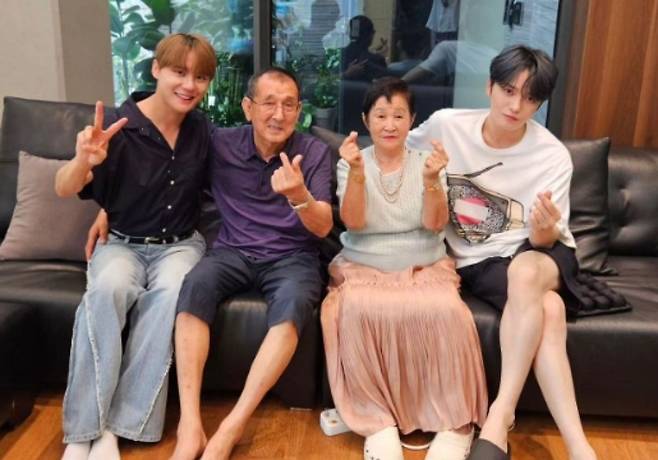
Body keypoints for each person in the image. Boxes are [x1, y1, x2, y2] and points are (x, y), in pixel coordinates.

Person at [406, 45, 598, 460]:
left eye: (529, 98)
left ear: (540, 103)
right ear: (489, 87)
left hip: (539, 252)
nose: (515, 106)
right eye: (508, 91)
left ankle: (499, 415)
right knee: (549, 309)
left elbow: (544, 242)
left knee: (526, 272)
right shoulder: (447, 126)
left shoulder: (552, 156)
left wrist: (544, 229)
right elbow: (397, 156)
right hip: (480, 259)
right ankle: (579, 447)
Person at [55, 33, 217, 460]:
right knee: (106, 291)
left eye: (201, 77)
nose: (190, 85)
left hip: (179, 245)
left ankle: (115, 428)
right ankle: (82, 432)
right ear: (156, 70)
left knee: (171, 296)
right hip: (122, 243)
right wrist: (83, 161)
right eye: (179, 72)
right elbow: (64, 187)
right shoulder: (116, 126)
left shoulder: (202, 130)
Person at [170, 67, 333, 460]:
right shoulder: (221, 145)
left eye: (289, 105)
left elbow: (324, 225)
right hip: (233, 251)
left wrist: (299, 196)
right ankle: (189, 423)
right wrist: (108, 211)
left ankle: (233, 424)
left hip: (293, 257)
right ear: (248, 107)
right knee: (194, 286)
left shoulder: (313, 153)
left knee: (293, 306)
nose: (279, 114)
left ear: (299, 111)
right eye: (269, 103)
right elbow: (169, 178)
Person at [322, 77, 487, 460]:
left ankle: (454, 423)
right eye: (381, 115)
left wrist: (431, 181)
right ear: (366, 119)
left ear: (412, 120)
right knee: (357, 308)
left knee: (447, 310)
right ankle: (376, 422)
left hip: (423, 264)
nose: (390, 124)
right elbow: (353, 222)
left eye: (399, 115)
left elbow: (434, 224)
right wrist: (357, 172)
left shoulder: (428, 162)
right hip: (363, 265)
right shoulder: (352, 162)